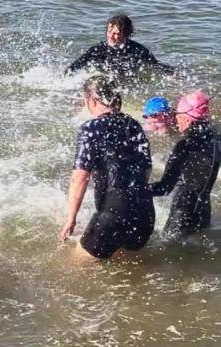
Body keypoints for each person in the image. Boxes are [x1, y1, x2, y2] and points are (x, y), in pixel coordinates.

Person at [59, 75, 155, 259]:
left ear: (92, 100)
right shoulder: (134, 125)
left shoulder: (90, 128)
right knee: (127, 272)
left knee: (75, 267)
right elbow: (146, 167)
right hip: (145, 214)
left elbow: (79, 177)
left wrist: (71, 219)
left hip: (113, 214)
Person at [148, 90, 221, 236]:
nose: (176, 119)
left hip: (182, 212)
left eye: (178, 116)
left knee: (171, 250)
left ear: (188, 120)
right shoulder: (217, 141)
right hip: (204, 212)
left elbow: (164, 188)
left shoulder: (183, 146)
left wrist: (135, 189)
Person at [64, 14, 173, 81]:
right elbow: (75, 66)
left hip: (127, 83)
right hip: (106, 80)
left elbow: (156, 65)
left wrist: (174, 75)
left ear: (125, 34)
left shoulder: (138, 51)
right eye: (109, 31)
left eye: (116, 33)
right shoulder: (98, 50)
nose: (110, 36)